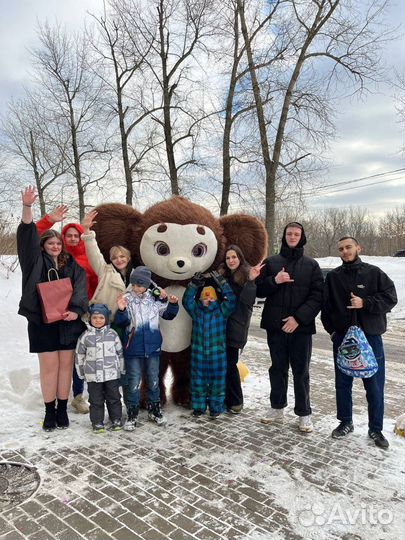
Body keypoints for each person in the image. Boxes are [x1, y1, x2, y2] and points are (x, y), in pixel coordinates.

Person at [17, 186, 88, 431]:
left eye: (59, 243)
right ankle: (49, 411)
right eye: (51, 242)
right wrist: (28, 208)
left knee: (66, 367)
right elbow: (27, 234)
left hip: (68, 322)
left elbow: (81, 287)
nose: (56, 245)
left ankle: (61, 408)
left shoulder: (72, 265)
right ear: (43, 244)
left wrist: (77, 311)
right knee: (49, 367)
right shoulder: (33, 261)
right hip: (41, 322)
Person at [321, 236, 397, 449]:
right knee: (343, 383)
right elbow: (325, 308)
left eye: (348, 247)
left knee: (374, 385)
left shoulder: (374, 273)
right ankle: (345, 422)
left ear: (358, 248)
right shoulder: (334, 277)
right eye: (341, 249)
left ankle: (376, 428)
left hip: (370, 337)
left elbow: (391, 298)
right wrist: (333, 332)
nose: (345, 251)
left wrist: (366, 302)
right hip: (343, 338)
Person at [256, 222, 323, 433]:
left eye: (296, 234)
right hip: (275, 326)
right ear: (283, 236)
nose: (292, 236)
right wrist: (275, 280)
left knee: (301, 371)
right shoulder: (272, 262)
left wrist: (298, 319)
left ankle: (304, 413)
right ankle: (277, 407)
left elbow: (318, 296)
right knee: (277, 368)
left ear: (302, 237)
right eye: (289, 233)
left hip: (300, 328)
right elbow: (258, 290)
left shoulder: (312, 265)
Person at [36, 207, 98, 415]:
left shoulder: (86, 257)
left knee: (78, 358)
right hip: (54, 313)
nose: (72, 239)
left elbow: (95, 281)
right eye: (68, 236)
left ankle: (78, 395)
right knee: (60, 361)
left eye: (76, 235)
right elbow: (31, 240)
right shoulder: (49, 258)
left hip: (82, 312)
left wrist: (86, 307)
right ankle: (55, 400)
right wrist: (48, 221)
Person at [115, 266, 179, 430]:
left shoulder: (154, 299)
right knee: (133, 382)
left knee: (153, 380)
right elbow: (121, 323)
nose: (136, 288)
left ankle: (154, 410)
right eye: (134, 284)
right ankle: (132, 413)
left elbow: (168, 315)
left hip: (152, 349)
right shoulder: (127, 299)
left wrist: (172, 304)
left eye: (140, 284)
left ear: (147, 285)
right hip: (133, 350)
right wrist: (121, 310)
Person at [182, 271, 236, 419]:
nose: (208, 299)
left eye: (211, 296)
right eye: (205, 296)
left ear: (216, 298)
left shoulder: (221, 311)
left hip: (217, 357)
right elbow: (186, 301)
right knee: (197, 383)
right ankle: (199, 407)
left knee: (217, 384)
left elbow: (231, 300)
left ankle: (215, 408)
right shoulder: (196, 311)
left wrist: (222, 283)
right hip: (198, 356)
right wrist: (193, 285)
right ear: (200, 298)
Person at [218, 245, 262, 414]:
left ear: (240, 258)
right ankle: (224, 399)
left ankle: (236, 401)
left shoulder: (245, 275)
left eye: (234, 257)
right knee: (222, 365)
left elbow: (247, 301)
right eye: (228, 258)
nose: (231, 261)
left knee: (230, 364)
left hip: (236, 327)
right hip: (219, 326)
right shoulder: (221, 276)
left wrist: (251, 280)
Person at [75, 304, 125, 434]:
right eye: (95, 317)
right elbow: (79, 356)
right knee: (96, 400)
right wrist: (81, 373)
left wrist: (122, 369)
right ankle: (97, 421)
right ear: (90, 318)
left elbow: (120, 353)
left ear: (106, 319)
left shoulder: (112, 334)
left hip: (111, 374)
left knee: (114, 397)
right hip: (93, 375)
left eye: (101, 317)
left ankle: (116, 419)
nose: (98, 320)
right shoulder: (85, 336)